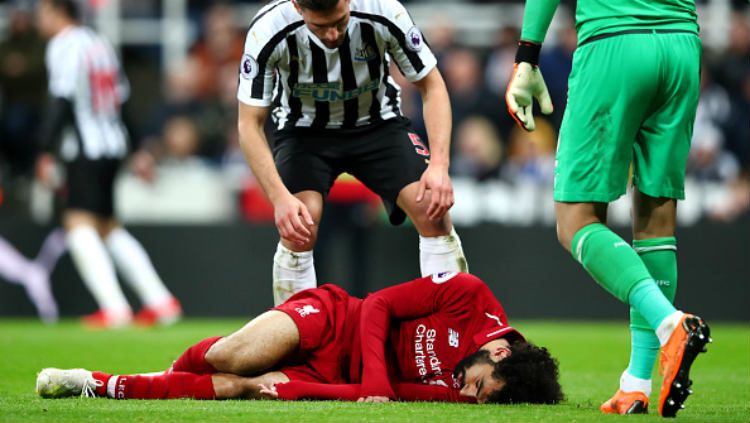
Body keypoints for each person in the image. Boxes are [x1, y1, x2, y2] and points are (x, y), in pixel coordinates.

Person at [505, 0, 712, 417]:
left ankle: (670, 323)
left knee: (574, 220)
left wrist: (526, 56)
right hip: (682, 45)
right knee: (656, 214)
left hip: (614, 42)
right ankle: (636, 383)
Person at [236, 0, 468, 305]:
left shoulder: (384, 10)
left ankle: (455, 330)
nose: (332, 35)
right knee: (299, 227)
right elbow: (249, 124)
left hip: (377, 125)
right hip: (305, 133)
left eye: (339, 21)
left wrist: (439, 165)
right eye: (320, 26)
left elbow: (432, 85)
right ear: (297, 7)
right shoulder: (268, 29)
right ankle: (296, 341)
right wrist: (279, 198)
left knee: (432, 210)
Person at [35, 272, 562, 405]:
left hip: (333, 374)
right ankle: (178, 365)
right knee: (233, 355)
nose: (463, 394)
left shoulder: (478, 386)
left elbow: (392, 397)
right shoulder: (468, 295)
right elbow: (379, 303)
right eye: (476, 385)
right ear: (497, 352)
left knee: (236, 386)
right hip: (336, 317)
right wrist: (377, 378)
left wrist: (291, 389)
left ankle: (96, 385)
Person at [34, 0, 181, 328]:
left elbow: (61, 98)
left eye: (42, 13)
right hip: (113, 144)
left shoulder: (64, 44)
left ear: (59, 13)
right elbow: (123, 101)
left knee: (78, 224)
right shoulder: (100, 43)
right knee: (107, 226)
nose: (38, 20)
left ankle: (114, 308)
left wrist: (45, 151)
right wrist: (137, 148)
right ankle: (161, 301)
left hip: (86, 149)